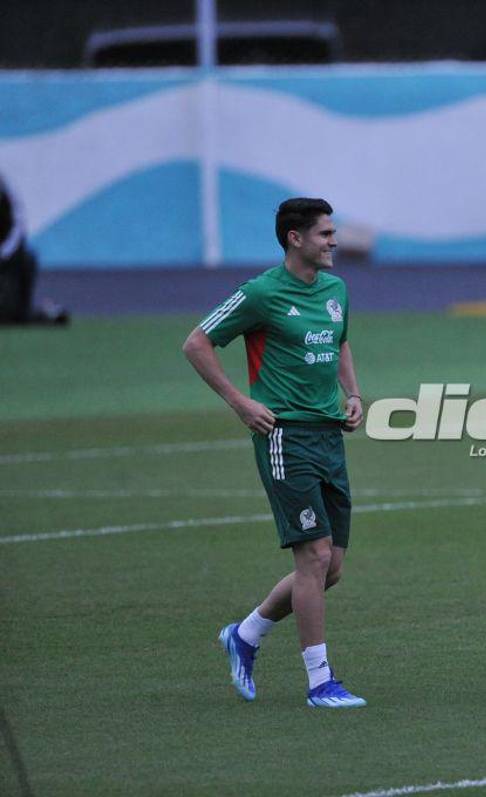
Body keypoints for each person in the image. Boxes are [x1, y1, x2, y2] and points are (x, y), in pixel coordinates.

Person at [183, 197, 368, 708]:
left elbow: (341, 343)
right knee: (313, 557)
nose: (334, 241)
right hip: (285, 436)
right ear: (296, 239)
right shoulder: (261, 293)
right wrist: (240, 402)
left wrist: (352, 395)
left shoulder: (336, 290)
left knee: (330, 569)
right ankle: (320, 682)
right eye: (326, 233)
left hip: (330, 436)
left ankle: (244, 634)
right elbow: (196, 343)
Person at [0, 172, 68, 325]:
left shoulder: (4, 190)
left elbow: (17, 225)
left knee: (10, 315)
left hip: (7, 261)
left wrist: (4, 254)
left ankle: (43, 313)